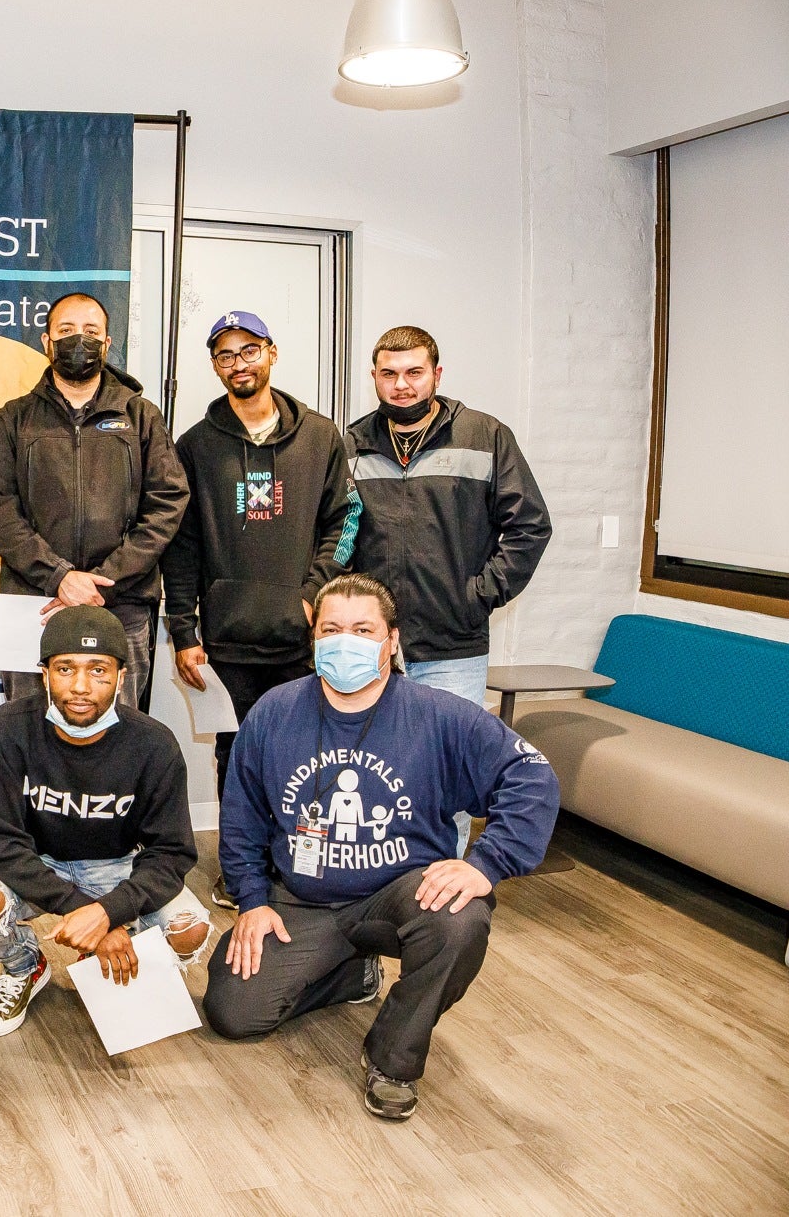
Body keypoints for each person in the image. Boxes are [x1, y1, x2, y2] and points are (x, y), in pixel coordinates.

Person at [203, 573, 559, 1121]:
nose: (346, 641)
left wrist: (487, 863)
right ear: (314, 637)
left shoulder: (440, 716)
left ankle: (393, 1059)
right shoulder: (274, 713)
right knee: (234, 1011)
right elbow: (243, 815)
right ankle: (351, 973)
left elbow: (530, 775)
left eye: (363, 629)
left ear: (392, 640)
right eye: (332, 629)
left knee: (460, 921)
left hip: (400, 898)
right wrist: (252, 900)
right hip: (301, 900)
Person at [163, 310, 361, 908]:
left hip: (302, 638)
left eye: (248, 350)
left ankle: (303, 868)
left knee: (309, 755)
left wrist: (313, 593)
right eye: (225, 355)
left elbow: (344, 521)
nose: (238, 364)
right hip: (226, 641)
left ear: (271, 353)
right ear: (216, 366)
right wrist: (183, 630)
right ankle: (239, 871)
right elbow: (183, 545)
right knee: (238, 758)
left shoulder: (322, 438)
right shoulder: (195, 446)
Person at [0, 606, 211, 1038]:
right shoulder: (9, 727)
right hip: (38, 863)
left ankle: (109, 971)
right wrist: (92, 917)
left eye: (98, 670)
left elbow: (171, 852)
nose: (80, 687)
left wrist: (110, 911)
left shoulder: (153, 743)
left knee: (192, 931)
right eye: (65, 669)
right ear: (44, 674)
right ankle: (25, 967)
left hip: (118, 865)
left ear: (121, 677)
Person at [345, 324, 551, 849]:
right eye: (389, 374)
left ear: (437, 374)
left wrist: (478, 595)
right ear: (373, 377)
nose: (402, 385)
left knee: (446, 775)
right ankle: (379, 880)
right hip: (369, 648)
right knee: (370, 772)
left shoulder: (485, 435)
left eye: (414, 372)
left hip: (452, 645)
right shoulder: (352, 443)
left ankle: (441, 890)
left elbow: (529, 525)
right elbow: (333, 536)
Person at [0, 292, 189, 708]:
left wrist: (103, 581)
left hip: (121, 606)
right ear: (46, 342)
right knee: (28, 736)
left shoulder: (140, 415)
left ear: (108, 344)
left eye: (91, 332)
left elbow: (167, 502)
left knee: (114, 742)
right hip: (32, 605)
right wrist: (58, 576)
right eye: (67, 331)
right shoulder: (15, 417)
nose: (80, 340)